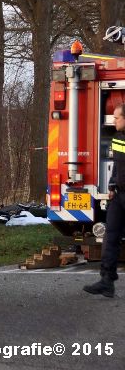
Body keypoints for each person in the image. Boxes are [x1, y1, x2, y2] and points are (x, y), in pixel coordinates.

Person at [84, 103, 125, 298]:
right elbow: (117, 165)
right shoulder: (118, 139)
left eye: (117, 117)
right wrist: (111, 186)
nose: (114, 120)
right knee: (110, 236)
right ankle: (107, 281)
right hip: (119, 195)